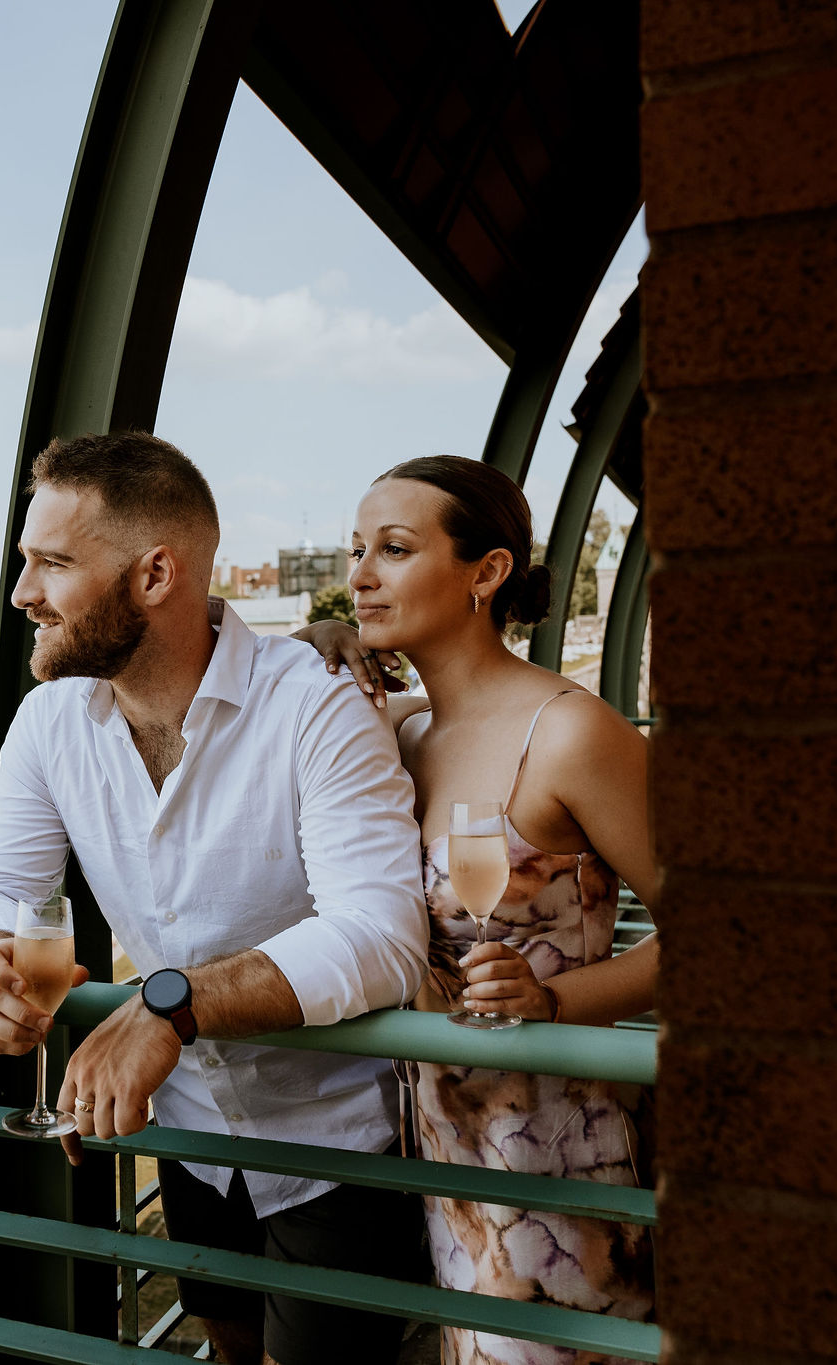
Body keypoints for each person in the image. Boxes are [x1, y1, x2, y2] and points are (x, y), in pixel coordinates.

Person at [0, 431, 431, 1365]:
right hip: (191, 1135)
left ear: (155, 574)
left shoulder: (316, 705)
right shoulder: (49, 723)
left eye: (52, 563)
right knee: (230, 1348)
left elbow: (381, 933)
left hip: (337, 1148)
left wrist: (171, 1004)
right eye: (23, 563)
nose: (21, 594)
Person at [299, 455, 657, 1365]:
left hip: (563, 1154)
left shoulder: (571, 732)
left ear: (487, 572)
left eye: (395, 548)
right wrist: (322, 642)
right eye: (355, 551)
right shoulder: (399, 731)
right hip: (444, 1154)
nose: (362, 573)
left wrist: (552, 1003)